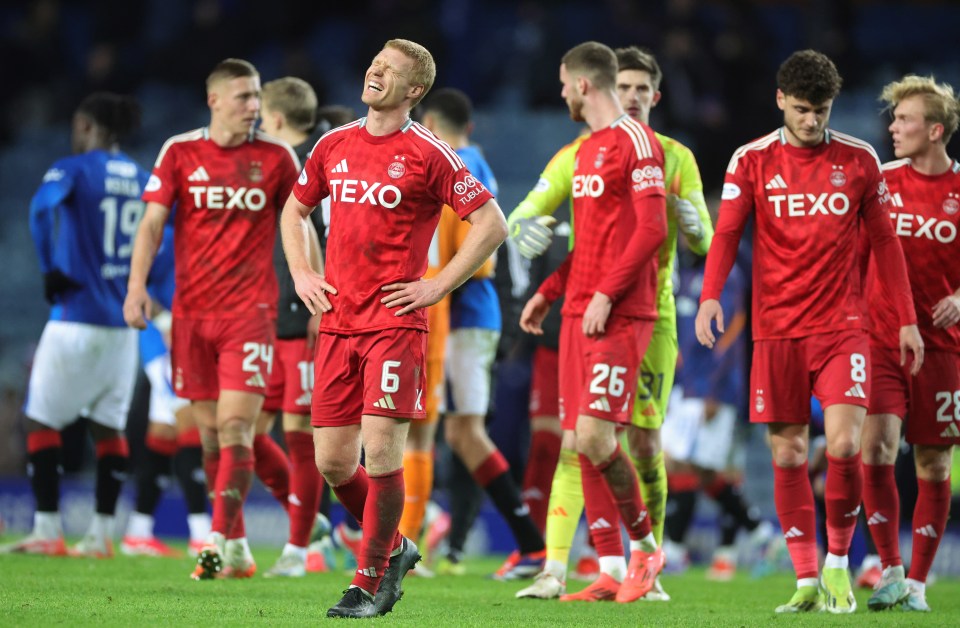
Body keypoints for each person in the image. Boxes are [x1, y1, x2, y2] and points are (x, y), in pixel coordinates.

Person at [280, 38, 508, 618]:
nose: (373, 72)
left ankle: (368, 582)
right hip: (337, 323)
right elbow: (294, 209)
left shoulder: (430, 153)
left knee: (381, 452)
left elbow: (491, 223)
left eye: (389, 70)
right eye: (374, 64)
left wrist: (435, 286)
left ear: (414, 90)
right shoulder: (334, 144)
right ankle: (398, 546)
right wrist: (304, 272)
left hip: (395, 324)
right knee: (333, 462)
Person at [694, 49, 924, 614]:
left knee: (845, 444)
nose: (812, 121)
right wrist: (708, 299)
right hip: (776, 332)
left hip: (844, 327)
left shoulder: (860, 160)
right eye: (801, 109)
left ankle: (839, 564)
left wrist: (908, 319)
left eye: (820, 110)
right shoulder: (749, 161)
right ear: (780, 101)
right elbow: (725, 235)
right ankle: (803, 580)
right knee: (790, 454)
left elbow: (888, 247)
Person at [514, 46, 712, 601]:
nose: (559, 94)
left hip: (625, 312)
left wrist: (604, 293)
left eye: (561, 83)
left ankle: (646, 551)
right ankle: (606, 567)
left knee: (611, 438)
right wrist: (550, 292)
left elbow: (651, 230)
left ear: (580, 84)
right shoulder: (584, 151)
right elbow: (590, 243)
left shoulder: (641, 144)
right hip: (579, 310)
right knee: (579, 440)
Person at [124, 58, 300, 581]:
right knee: (206, 438)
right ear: (215, 100)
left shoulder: (277, 157)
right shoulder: (179, 152)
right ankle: (240, 545)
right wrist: (136, 287)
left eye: (257, 96)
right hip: (191, 318)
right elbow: (152, 223)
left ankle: (215, 544)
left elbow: (299, 225)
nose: (254, 106)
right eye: (244, 96)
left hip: (251, 313)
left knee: (236, 427)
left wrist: (310, 281)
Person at [1, 93, 146, 558]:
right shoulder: (143, 177)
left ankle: (46, 528)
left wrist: (49, 269)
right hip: (123, 326)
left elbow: (42, 208)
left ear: (85, 125)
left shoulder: (74, 168)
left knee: (39, 418)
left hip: (76, 316)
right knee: (108, 429)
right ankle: (102, 535)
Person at [412, 87, 547, 579]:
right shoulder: (472, 160)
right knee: (457, 433)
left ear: (427, 121)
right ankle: (520, 544)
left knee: (456, 432)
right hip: (469, 317)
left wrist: (439, 279)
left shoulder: (458, 163)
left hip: (463, 315)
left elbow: (484, 258)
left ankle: (529, 545)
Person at [860, 74, 960, 612]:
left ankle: (918, 586)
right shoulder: (880, 180)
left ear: (936, 130)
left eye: (905, 120)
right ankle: (890, 572)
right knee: (873, 449)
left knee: (934, 465)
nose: (893, 128)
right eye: (893, 118)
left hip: (943, 346)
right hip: (879, 339)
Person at [253, 76, 331, 578]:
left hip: (301, 315)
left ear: (276, 119)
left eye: (261, 116)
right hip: (265, 316)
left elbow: (326, 238)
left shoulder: (314, 167)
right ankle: (310, 518)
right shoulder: (286, 165)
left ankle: (298, 550)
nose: (257, 124)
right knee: (244, 429)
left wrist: (319, 309)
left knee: (299, 431)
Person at [121, 224, 212, 558]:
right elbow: (136, 284)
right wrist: (164, 324)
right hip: (162, 344)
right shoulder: (167, 237)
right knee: (192, 425)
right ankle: (201, 534)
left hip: (182, 341)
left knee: (163, 434)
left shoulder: (197, 237)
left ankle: (138, 531)